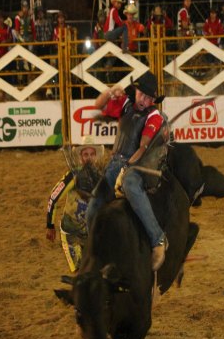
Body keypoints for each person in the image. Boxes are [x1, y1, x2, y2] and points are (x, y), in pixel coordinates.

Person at [86, 71, 168, 271]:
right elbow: (98, 104)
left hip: (139, 164)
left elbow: (144, 145)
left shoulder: (154, 115)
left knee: (130, 184)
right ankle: (97, 252)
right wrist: (110, 91)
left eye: (149, 97)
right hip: (115, 163)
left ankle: (158, 240)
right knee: (91, 209)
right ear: (136, 92)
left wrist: (127, 168)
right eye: (142, 95)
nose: (145, 100)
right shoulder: (125, 105)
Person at [46, 136, 104, 272]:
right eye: (85, 154)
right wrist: (50, 225)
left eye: (91, 154)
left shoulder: (101, 177)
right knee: (81, 272)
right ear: (81, 156)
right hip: (72, 234)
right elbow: (53, 197)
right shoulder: (73, 176)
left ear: (95, 156)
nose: (89, 158)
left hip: (92, 234)